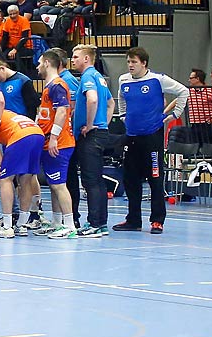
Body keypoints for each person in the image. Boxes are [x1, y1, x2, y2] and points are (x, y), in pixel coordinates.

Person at [115, 46, 188, 234]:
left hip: (152, 137)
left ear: (144, 63)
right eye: (128, 62)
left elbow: (183, 91)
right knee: (130, 180)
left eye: (134, 62)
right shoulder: (123, 80)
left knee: (155, 178)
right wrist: (123, 115)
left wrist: (175, 114)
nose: (130, 65)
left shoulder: (158, 79)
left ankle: (157, 221)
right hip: (131, 137)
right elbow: (121, 98)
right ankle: (133, 219)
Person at [67, 43, 112, 237]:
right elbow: (110, 103)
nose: (73, 60)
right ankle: (101, 223)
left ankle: (93, 224)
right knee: (98, 181)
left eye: (76, 56)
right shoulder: (100, 78)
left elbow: (92, 99)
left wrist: (91, 124)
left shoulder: (88, 76)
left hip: (90, 135)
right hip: (100, 133)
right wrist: (104, 124)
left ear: (86, 58)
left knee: (90, 180)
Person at [35, 49, 79, 238]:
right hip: (49, 142)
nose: (37, 67)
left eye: (39, 62)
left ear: (47, 63)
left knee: (60, 185)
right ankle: (56, 222)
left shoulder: (58, 85)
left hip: (59, 144)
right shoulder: (49, 87)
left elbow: (62, 112)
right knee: (54, 184)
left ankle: (69, 226)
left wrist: (53, 137)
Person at [0, 107, 46, 238]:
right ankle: (22, 225)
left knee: (4, 179)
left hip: (20, 136)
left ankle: (7, 226)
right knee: (26, 179)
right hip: (37, 133)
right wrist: (4, 165)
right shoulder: (0, 112)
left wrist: (3, 166)